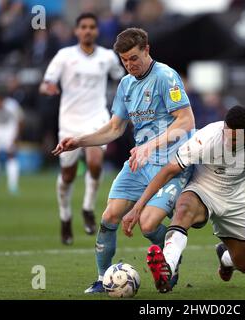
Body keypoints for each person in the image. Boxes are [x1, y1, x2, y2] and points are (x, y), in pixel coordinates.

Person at [52, 27, 195, 293]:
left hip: (170, 163)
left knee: (148, 224)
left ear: (147, 50)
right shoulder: (126, 84)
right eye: (124, 60)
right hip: (139, 162)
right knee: (109, 216)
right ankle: (103, 278)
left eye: (134, 58)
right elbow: (115, 127)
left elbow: (186, 121)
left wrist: (150, 146)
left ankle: (170, 261)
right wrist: (79, 140)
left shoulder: (166, 77)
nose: (129, 65)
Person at [121, 105, 245, 293]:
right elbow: (169, 170)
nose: (227, 140)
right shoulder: (206, 139)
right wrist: (138, 207)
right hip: (202, 189)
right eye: (226, 133)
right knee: (184, 208)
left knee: (244, 265)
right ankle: (167, 268)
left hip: (234, 200)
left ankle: (225, 259)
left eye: (234, 139)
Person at [39, 13, 125, 245]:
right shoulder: (64, 56)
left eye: (91, 27)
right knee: (68, 174)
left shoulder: (107, 57)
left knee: (95, 162)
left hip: (97, 118)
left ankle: (88, 208)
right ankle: (65, 217)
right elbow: (47, 81)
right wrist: (48, 87)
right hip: (69, 122)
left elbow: (123, 78)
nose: (87, 31)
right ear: (76, 31)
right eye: (83, 27)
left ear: (97, 31)